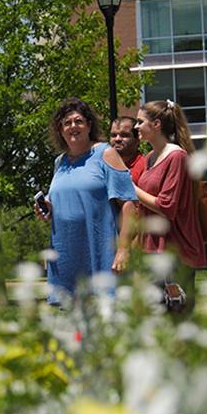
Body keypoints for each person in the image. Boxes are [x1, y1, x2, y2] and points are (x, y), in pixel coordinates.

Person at [34, 97, 138, 304]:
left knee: (104, 318)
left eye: (78, 121)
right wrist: (47, 209)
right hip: (65, 253)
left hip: (98, 253)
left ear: (89, 125)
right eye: (67, 123)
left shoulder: (105, 154)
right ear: (60, 130)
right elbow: (67, 201)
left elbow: (129, 205)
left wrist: (124, 250)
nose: (73, 126)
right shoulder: (59, 163)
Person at [133, 100, 206, 312]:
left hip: (176, 251)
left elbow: (167, 207)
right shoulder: (150, 158)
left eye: (140, 122)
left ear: (156, 125)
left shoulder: (176, 156)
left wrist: (133, 189)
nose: (136, 127)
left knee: (176, 317)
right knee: (156, 317)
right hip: (152, 249)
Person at [110, 116, 145, 184]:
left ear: (137, 139)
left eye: (124, 135)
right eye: (113, 135)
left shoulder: (146, 167)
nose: (117, 139)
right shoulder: (103, 164)